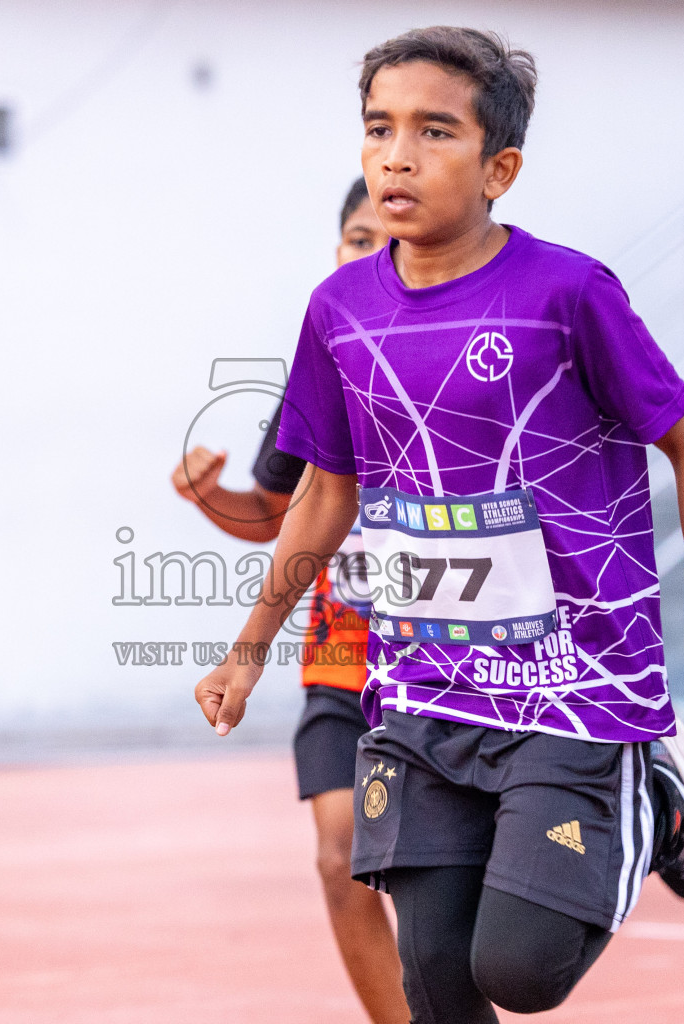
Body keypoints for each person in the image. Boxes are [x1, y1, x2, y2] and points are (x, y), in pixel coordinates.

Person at [194, 26, 684, 1019]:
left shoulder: (567, 294)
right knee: (435, 979)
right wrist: (247, 651)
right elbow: (327, 494)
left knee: (516, 971)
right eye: (379, 128)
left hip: (573, 688)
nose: (398, 155)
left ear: (499, 168)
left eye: (435, 131)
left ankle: (653, 790)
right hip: (423, 691)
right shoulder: (337, 312)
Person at [170, 179, 406, 1024]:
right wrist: (211, 496)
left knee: (444, 885)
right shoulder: (323, 368)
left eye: (389, 236)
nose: (371, 251)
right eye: (355, 236)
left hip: (462, 659)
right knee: (340, 857)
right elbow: (278, 514)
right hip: (344, 648)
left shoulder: (472, 360)